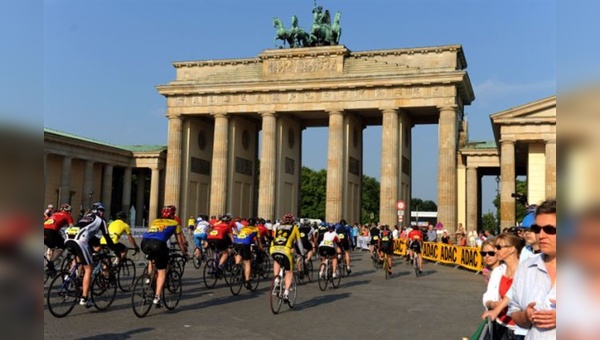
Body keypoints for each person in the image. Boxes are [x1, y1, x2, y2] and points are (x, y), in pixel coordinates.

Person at [507, 199, 556, 339]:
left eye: (549, 229)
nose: (541, 235)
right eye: (537, 229)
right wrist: (525, 316)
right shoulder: (526, 267)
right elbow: (514, 310)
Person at [64, 202, 116, 307]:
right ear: (101, 211)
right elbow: (107, 238)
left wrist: (96, 245)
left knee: (79, 258)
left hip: (68, 238)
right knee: (89, 269)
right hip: (80, 240)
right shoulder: (101, 221)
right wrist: (116, 250)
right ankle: (84, 298)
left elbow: (91, 237)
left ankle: (70, 276)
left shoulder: (85, 217)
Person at [140, 205, 188, 307]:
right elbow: (180, 242)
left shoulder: (156, 221)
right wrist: (184, 253)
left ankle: (149, 276)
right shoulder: (175, 223)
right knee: (162, 271)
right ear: (173, 215)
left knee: (152, 259)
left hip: (144, 243)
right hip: (158, 244)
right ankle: (157, 297)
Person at [481, 233, 523, 339]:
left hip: (520, 329)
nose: (495, 251)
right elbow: (488, 295)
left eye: (499, 247)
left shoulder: (525, 270)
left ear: (512, 249)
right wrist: (492, 304)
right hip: (500, 324)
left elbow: (515, 293)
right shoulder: (498, 271)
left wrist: (497, 308)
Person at [270, 213, 304, 301]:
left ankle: (277, 279)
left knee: (277, 260)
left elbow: (275, 238)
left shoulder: (278, 227)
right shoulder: (295, 228)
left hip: (273, 249)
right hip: (285, 250)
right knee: (289, 271)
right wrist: (302, 254)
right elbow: (299, 243)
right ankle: (286, 293)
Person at [43, 203, 74, 274]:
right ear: (68, 211)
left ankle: (49, 265)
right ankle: (50, 262)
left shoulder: (55, 214)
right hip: (51, 231)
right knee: (62, 246)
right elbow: (72, 228)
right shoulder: (68, 215)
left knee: (51, 246)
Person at [233, 217, 262, 289]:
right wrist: (261, 248)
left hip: (236, 243)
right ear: (255, 224)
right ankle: (247, 281)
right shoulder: (255, 229)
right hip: (245, 244)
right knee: (247, 262)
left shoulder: (243, 228)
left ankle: (237, 266)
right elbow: (258, 240)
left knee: (239, 254)